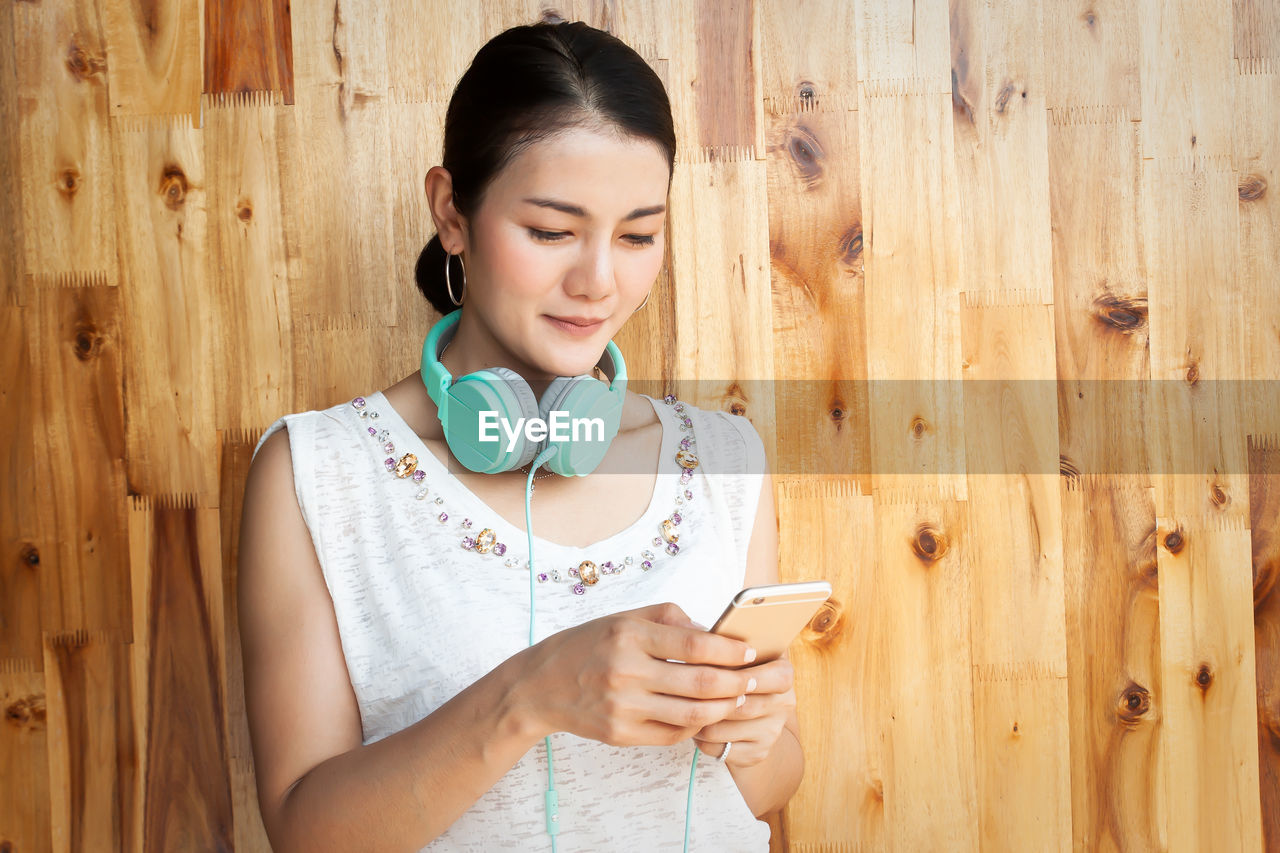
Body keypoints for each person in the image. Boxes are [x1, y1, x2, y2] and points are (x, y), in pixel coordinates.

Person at [237, 20, 803, 852]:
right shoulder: (319, 471)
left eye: (639, 235)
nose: (599, 282)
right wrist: (530, 695)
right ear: (451, 212)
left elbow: (769, 782)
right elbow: (305, 831)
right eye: (550, 230)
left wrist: (743, 730)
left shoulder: (723, 461)